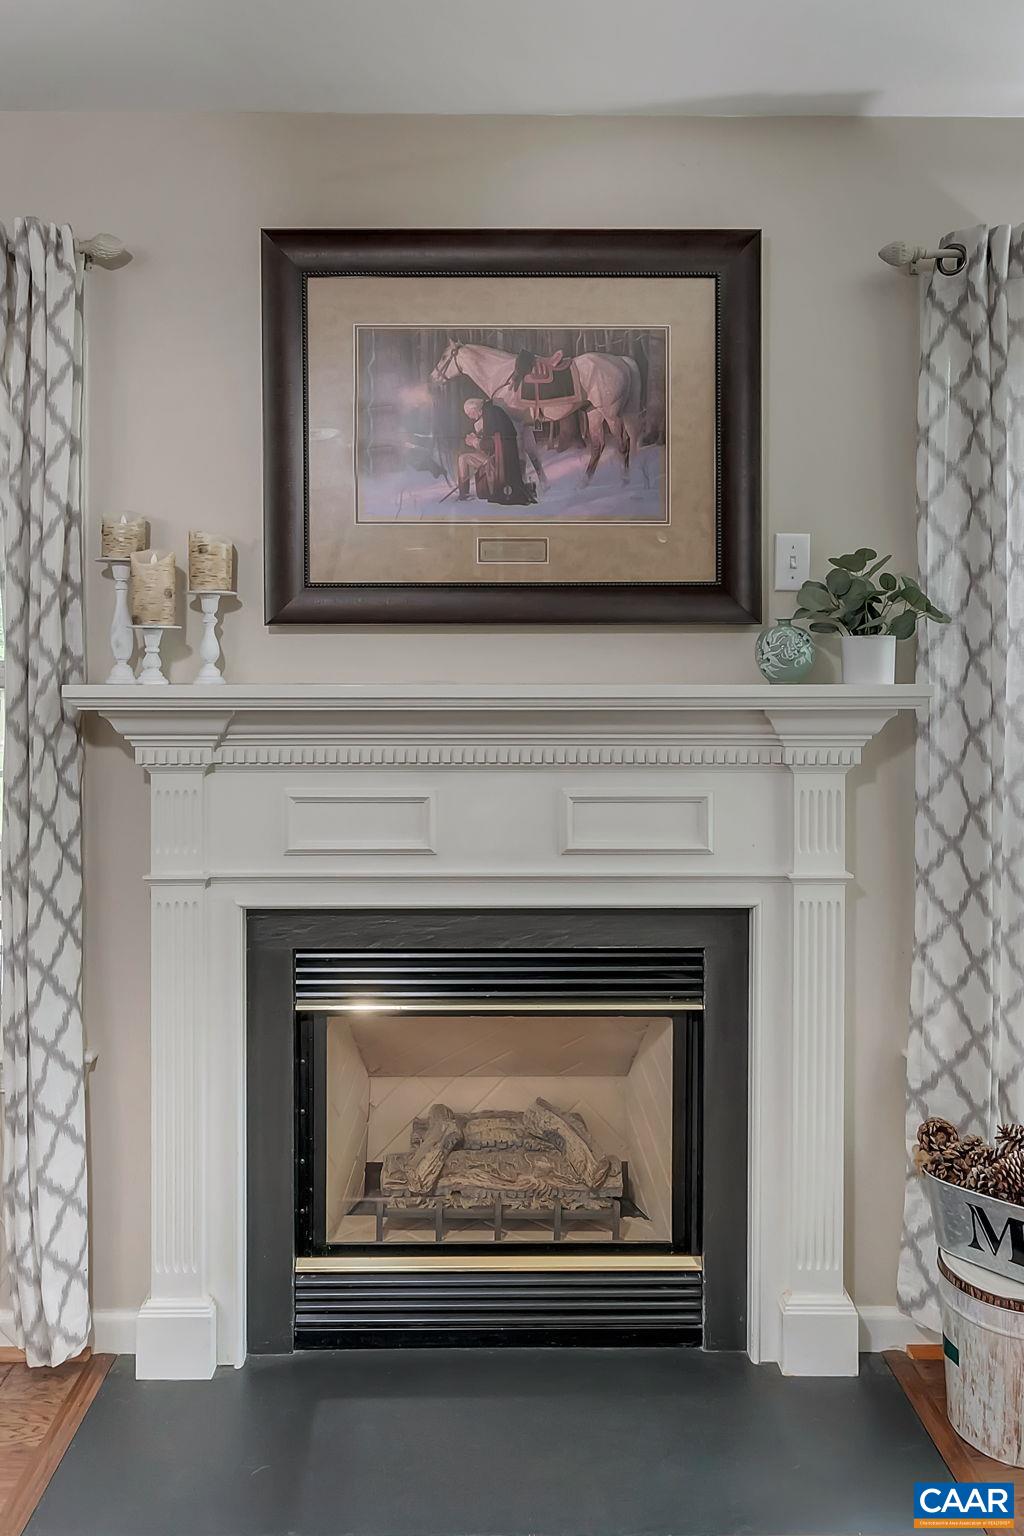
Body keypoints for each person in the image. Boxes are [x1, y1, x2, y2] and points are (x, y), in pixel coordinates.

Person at [456, 397, 535, 506]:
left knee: (463, 458)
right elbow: (490, 440)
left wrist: (474, 441)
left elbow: (491, 444)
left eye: (470, 413)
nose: (470, 417)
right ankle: (463, 492)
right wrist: (477, 438)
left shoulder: (490, 415)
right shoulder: (490, 413)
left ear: (475, 408)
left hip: (498, 459)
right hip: (497, 455)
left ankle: (464, 493)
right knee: (463, 457)